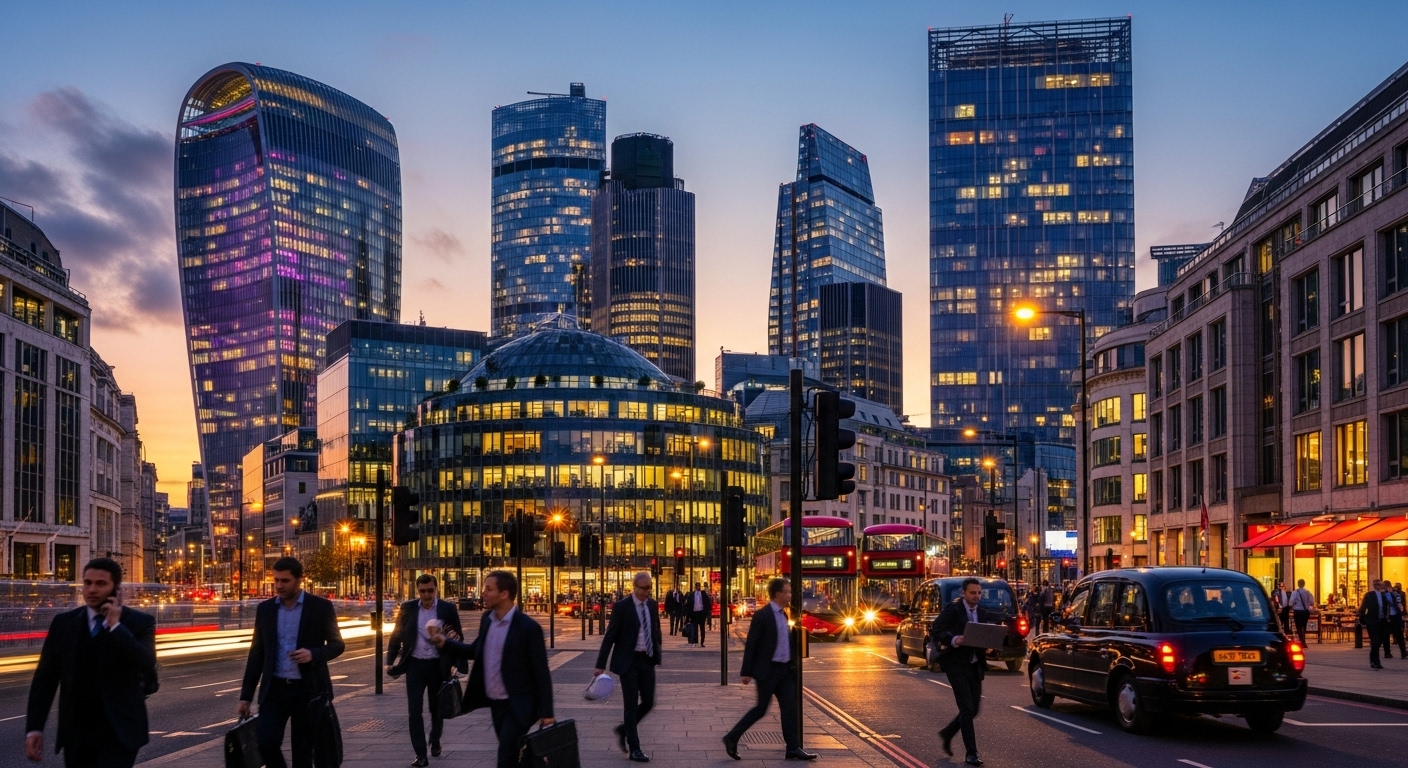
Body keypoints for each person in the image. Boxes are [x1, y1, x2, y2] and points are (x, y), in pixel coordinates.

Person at [25, 557, 156, 768]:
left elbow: (145, 661)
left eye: (101, 584)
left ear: (116, 589)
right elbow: (45, 678)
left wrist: (115, 626)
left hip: (119, 732)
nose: (92, 589)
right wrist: (34, 729)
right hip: (76, 733)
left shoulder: (139, 622)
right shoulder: (64, 623)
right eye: (87, 583)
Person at [431, 570, 553, 768]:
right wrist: (443, 642)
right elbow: (474, 650)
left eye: (489, 589)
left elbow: (541, 672)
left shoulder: (528, 628)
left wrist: (547, 712)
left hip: (519, 705)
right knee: (513, 755)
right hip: (496, 704)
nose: (483, 593)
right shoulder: (488, 620)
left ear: (504, 594)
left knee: (505, 756)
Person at [238, 557, 346, 768]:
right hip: (275, 689)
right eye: (276, 580)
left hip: (307, 691)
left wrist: (313, 653)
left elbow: (337, 644)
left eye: (285, 581)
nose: (279, 585)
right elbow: (257, 654)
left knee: (302, 753)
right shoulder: (266, 609)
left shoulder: (320, 607)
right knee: (266, 743)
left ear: (299, 580)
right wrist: (246, 697)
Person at [722, 577, 816, 762]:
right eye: (787, 592)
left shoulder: (784, 614)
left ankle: (793, 749)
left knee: (790, 709)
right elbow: (752, 643)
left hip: (784, 671)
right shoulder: (763, 615)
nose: (790, 595)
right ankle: (732, 737)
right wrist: (746, 671)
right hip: (768, 671)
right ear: (777, 594)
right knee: (760, 709)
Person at [387, 574, 465, 766]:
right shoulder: (408, 608)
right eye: (422, 591)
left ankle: (435, 739)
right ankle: (421, 754)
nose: (426, 594)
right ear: (417, 590)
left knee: (436, 709)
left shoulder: (447, 608)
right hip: (415, 665)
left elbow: (458, 636)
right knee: (414, 711)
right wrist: (390, 661)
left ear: (436, 589)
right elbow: (397, 635)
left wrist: (454, 639)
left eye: (430, 590)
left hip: (438, 666)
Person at [594, 572, 663, 763]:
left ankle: (623, 729)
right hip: (628, 661)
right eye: (644, 588)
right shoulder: (622, 607)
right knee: (631, 705)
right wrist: (600, 664)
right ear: (634, 587)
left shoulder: (652, 605)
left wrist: (658, 652)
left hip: (647, 660)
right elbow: (610, 636)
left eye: (650, 587)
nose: (647, 592)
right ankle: (635, 748)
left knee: (648, 702)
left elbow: (655, 629)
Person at [932, 577, 997, 767]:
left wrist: (991, 647)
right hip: (956, 665)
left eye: (979, 593)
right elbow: (937, 629)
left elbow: (984, 637)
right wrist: (954, 639)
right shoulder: (953, 609)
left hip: (975, 665)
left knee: (974, 709)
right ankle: (971, 753)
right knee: (967, 709)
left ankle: (948, 732)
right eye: (972, 593)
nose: (976, 597)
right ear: (964, 593)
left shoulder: (982, 613)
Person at [1359, 580, 1390, 670]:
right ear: (1373, 585)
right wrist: (1363, 619)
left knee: (1379, 641)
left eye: (1379, 584)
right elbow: (1363, 607)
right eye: (1376, 584)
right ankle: (1374, 661)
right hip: (1372, 621)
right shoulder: (1369, 595)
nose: (1378, 586)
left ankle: (1376, 660)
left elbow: (1387, 607)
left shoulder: (1384, 596)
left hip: (1381, 621)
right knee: (1375, 641)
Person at [1288, 579, 1314, 644]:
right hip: (1305, 612)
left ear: (1298, 584)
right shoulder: (1308, 592)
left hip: (1298, 611)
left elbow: (1291, 603)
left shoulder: (1295, 592)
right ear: (1304, 584)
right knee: (1304, 626)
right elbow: (1312, 602)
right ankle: (1303, 639)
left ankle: (1301, 640)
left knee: (1298, 626)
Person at [689, 583, 712, 647]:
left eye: (699, 586)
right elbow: (689, 604)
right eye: (697, 586)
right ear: (695, 587)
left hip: (701, 613)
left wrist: (707, 612)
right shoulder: (692, 594)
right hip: (695, 613)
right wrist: (689, 614)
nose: (698, 587)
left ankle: (702, 642)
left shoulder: (703, 594)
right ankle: (696, 641)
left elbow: (708, 603)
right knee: (695, 628)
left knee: (702, 628)